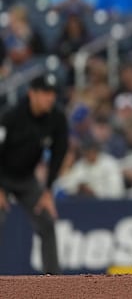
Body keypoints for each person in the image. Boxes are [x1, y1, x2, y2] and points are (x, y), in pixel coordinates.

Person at [0, 74, 68, 274]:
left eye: (53, 93)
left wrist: (48, 191)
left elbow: (59, 153)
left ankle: (54, 281)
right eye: (45, 93)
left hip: (27, 179)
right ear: (32, 94)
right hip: (2, 175)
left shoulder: (56, 118)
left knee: (47, 221)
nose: (50, 98)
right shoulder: (11, 116)